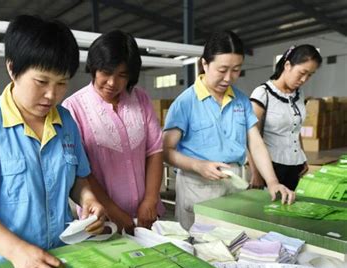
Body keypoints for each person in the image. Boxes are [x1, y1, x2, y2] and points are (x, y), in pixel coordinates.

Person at [0, 15, 105, 268]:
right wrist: (16, 251)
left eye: (62, 83)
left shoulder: (65, 122)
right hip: (4, 265)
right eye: (41, 82)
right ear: (12, 69)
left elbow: (78, 180)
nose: (52, 95)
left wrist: (88, 199)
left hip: (61, 257)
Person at [163, 31, 295, 230]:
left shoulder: (241, 100)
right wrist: (198, 166)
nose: (228, 78)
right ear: (205, 64)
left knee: (232, 241)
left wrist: (272, 181)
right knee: (197, 243)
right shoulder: (185, 102)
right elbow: (166, 151)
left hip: (234, 182)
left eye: (236, 70)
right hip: (197, 184)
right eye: (222, 69)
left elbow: (255, 142)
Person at [62, 30, 164, 234]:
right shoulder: (73, 108)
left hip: (146, 214)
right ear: (94, 67)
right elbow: (82, 172)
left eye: (122, 75)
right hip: (103, 218)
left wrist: (151, 198)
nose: (112, 82)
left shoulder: (141, 100)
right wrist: (116, 213)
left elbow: (154, 151)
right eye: (106, 72)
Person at [248, 45, 322, 190]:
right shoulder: (263, 93)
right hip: (270, 167)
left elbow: (295, 128)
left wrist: (302, 156)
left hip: (295, 166)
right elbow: (250, 136)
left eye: (310, 75)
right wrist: (256, 173)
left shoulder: (299, 95)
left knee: (288, 209)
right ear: (287, 65)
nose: (304, 79)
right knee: (268, 211)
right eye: (302, 72)